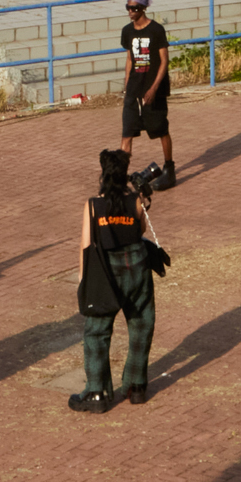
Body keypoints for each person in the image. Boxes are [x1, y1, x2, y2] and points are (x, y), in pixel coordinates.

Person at [72, 149, 163, 413]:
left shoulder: (92, 205)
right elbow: (141, 230)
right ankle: (136, 387)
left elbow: (86, 245)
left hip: (105, 271)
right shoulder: (135, 200)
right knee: (141, 324)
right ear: (125, 175)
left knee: (97, 331)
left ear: (102, 174)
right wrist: (143, 202)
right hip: (136, 267)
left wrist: (83, 281)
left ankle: (97, 392)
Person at [118, 0, 176, 189]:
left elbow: (164, 61)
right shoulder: (127, 31)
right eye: (128, 8)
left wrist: (154, 88)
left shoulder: (156, 30)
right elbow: (129, 59)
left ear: (143, 8)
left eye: (134, 8)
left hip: (153, 90)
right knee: (127, 133)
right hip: (134, 90)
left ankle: (169, 169)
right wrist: (127, 85)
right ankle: (121, 177)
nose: (130, 12)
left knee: (161, 129)